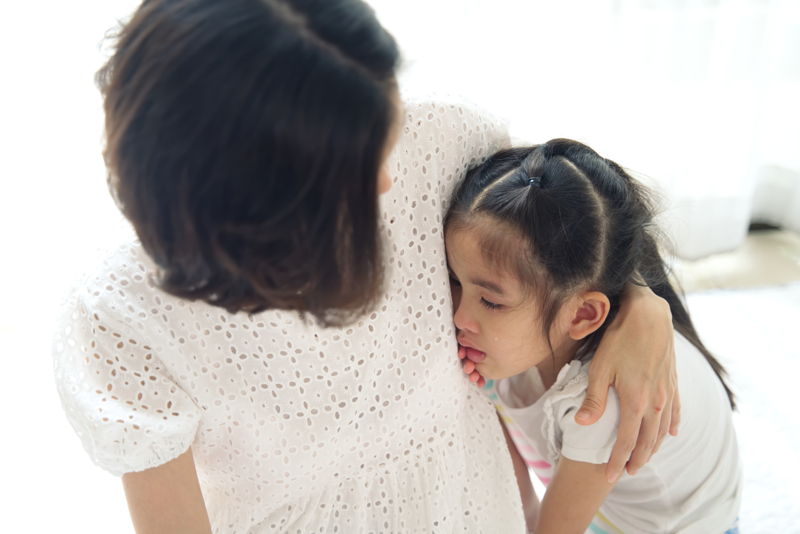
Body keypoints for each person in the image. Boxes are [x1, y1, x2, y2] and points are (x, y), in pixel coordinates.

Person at [53, 1, 679, 532]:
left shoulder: (443, 140)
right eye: (350, 172)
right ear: (243, 192)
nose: (387, 179)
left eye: (389, 125)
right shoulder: (125, 320)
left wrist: (638, 301)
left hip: (473, 499)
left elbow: (568, 229)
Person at [446, 138, 742, 533]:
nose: (458, 316)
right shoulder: (507, 345)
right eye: (453, 280)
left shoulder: (600, 402)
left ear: (584, 314)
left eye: (492, 302)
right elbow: (519, 506)